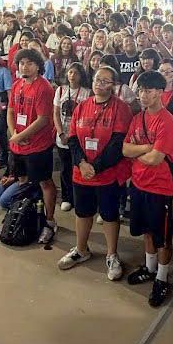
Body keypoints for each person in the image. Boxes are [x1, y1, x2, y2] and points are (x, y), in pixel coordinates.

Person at [57, 65, 132, 279]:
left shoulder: (121, 108)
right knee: (82, 212)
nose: (100, 84)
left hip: (107, 174)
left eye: (106, 81)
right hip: (81, 173)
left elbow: (118, 143)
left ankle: (112, 254)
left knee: (109, 215)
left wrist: (95, 167)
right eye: (98, 79)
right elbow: (72, 138)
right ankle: (81, 250)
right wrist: (81, 163)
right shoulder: (82, 106)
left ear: (114, 85)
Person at [122, 70, 173, 306]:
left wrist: (141, 152)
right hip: (138, 184)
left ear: (159, 92)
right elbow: (124, 149)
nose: (143, 95)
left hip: (160, 188)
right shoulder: (138, 118)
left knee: (163, 237)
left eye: (148, 90)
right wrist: (146, 148)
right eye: (140, 90)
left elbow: (157, 158)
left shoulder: (167, 121)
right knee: (146, 230)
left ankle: (162, 278)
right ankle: (149, 267)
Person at [7, 48, 59, 244]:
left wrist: (20, 136)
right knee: (23, 181)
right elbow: (10, 111)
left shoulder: (43, 88)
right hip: (18, 145)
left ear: (38, 66)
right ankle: (25, 212)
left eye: (29, 63)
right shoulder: (17, 84)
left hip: (38, 146)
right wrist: (14, 135)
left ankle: (50, 221)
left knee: (45, 182)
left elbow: (44, 119)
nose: (24, 66)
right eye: (21, 63)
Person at [52, 61, 91, 213]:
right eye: (70, 72)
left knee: (79, 167)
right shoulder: (60, 91)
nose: (72, 75)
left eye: (76, 73)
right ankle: (67, 197)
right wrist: (61, 132)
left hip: (79, 139)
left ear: (81, 75)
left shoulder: (86, 93)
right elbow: (55, 113)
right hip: (62, 136)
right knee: (65, 168)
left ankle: (79, 198)